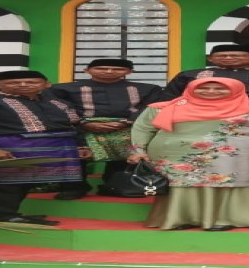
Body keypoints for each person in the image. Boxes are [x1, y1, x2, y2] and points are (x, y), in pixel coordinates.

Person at [127, 78, 249, 231]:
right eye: (203, 88)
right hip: (174, 154)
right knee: (180, 184)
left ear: (236, 90)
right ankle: (180, 218)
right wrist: (139, 151)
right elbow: (142, 129)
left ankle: (225, 219)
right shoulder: (161, 108)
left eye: (220, 88)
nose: (211, 91)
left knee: (227, 182)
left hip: (232, 155)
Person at [0, 70, 90, 226]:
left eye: (31, 82)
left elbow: (74, 124)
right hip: (4, 149)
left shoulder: (56, 102)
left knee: (22, 183)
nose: (23, 85)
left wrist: (80, 145)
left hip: (51, 149)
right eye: (13, 82)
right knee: (3, 183)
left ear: (46, 84)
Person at [46, 58, 165, 199]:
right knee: (71, 147)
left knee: (130, 145)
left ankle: (114, 184)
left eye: (118, 69)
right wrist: (83, 123)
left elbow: (150, 109)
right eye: (101, 68)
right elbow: (57, 108)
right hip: (80, 128)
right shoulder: (61, 89)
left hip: (129, 127)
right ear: (86, 70)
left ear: (130, 71)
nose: (109, 71)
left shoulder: (149, 89)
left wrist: (127, 122)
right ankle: (75, 187)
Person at [162, 44, 249, 103]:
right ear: (210, 59)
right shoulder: (189, 74)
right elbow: (170, 97)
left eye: (236, 55)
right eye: (222, 56)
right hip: (198, 115)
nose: (228, 58)